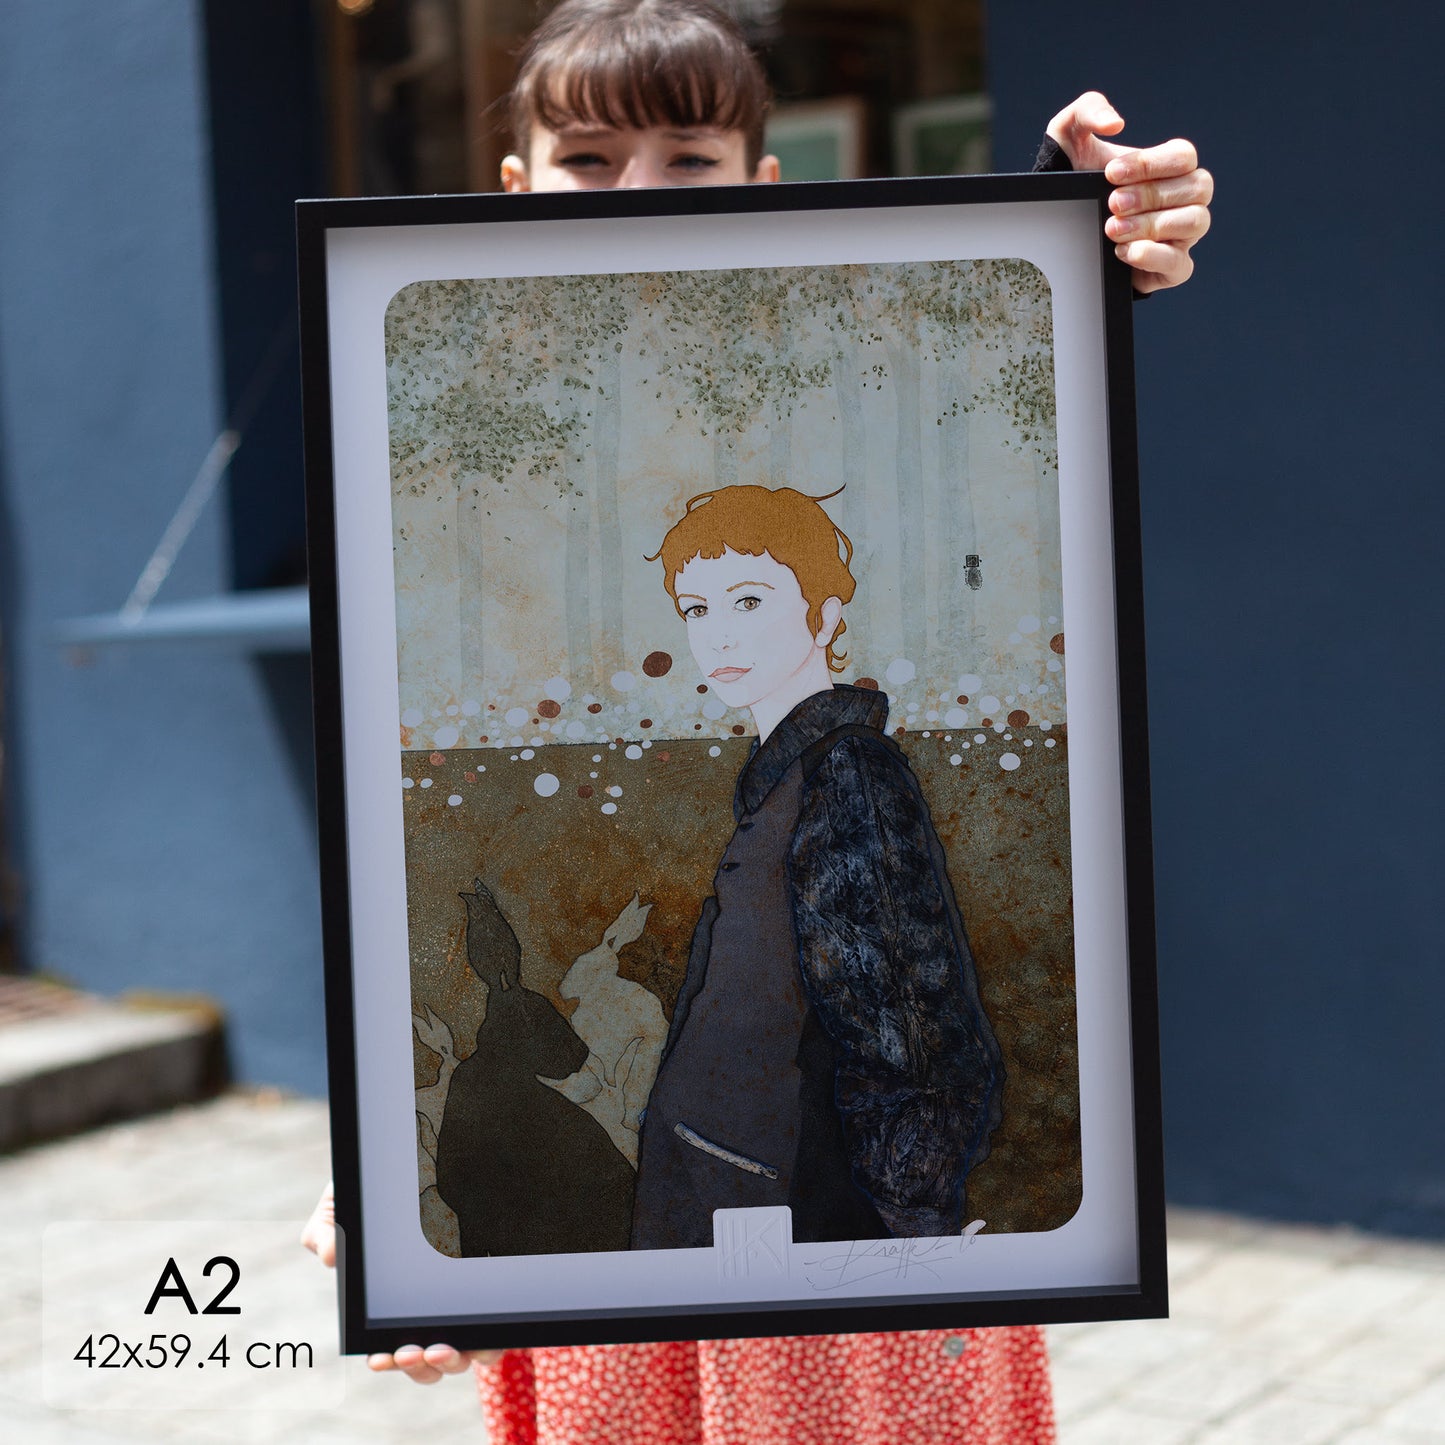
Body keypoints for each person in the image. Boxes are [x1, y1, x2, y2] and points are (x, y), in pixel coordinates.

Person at [304, 1, 1214, 1437]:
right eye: (591, 159)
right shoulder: (436, 403)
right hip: (658, 1251)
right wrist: (392, 1181)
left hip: (835, 1277)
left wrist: (1083, 228)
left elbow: (977, 338)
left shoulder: (840, 354)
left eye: (687, 156)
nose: (638, 196)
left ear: (765, 183)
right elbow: (404, 829)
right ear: (518, 186)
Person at [631, 485, 1003, 1250]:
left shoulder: (849, 770)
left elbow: (903, 1019)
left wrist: (910, 1216)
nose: (717, 635)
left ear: (826, 614)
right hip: (720, 1177)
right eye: (697, 610)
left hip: (779, 1199)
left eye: (747, 600)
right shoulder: (785, 775)